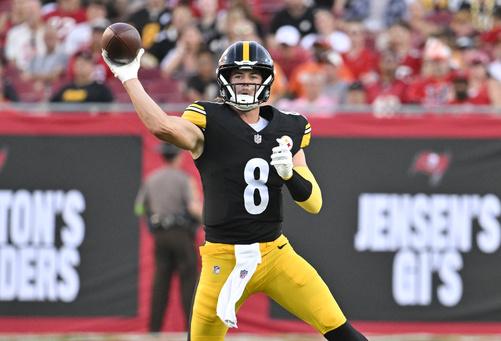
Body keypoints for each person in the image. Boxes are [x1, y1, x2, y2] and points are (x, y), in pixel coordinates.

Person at [102, 40, 368, 340]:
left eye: (253, 76)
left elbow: (314, 203)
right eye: (237, 76)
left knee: (341, 331)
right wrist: (129, 77)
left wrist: (289, 174)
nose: (245, 83)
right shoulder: (207, 119)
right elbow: (163, 127)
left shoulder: (290, 126)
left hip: (275, 256)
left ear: (266, 80)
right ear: (224, 80)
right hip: (223, 259)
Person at [134, 142, 202, 333]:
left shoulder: (151, 180)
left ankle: (154, 331)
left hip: (160, 236)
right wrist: (209, 219)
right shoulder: (184, 180)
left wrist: (151, 220)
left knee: (160, 284)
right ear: (179, 156)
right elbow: (193, 208)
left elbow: (139, 207)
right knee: (188, 283)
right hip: (181, 235)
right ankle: (193, 331)